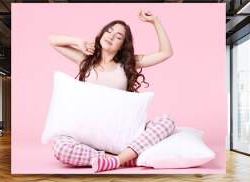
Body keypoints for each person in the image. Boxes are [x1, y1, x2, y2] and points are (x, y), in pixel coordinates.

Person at [49, 10, 175, 172]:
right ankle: (124, 157)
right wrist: (78, 42)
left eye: (118, 37)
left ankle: (116, 159)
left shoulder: (129, 63)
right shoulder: (85, 61)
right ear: (101, 35)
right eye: (109, 31)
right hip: (90, 130)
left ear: (123, 45)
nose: (111, 36)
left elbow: (166, 53)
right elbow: (52, 41)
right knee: (61, 147)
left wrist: (155, 20)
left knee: (167, 122)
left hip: (121, 130)